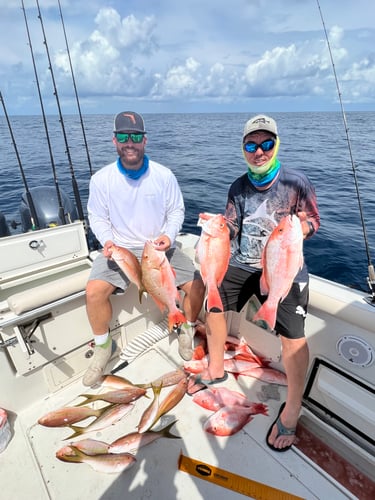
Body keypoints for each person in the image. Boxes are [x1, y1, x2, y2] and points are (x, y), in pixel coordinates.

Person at [189, 114, 320, 452]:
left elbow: (315, 221)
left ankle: (293, 408)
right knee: (214, 302)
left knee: (293, 339)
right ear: (243, 148)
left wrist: (298, 230)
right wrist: (217, 227)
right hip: (244, 263)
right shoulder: (238, 187)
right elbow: (233, 226)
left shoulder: (296, 183)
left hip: (284, 267)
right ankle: (216, 368)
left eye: (266, 144)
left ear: (276, 145)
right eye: (251, 144)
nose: (259, 151)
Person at [83, 111, 205, 386]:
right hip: (121, 249)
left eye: (135, 136)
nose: (130, 142)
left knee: (197, 285)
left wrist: (168, 235)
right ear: (114, 140)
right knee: (93, 293)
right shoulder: (101, 179)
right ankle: (104, 347)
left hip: (158, 248)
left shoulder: (163, 175)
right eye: (124, 136)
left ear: (145, 140)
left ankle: (186, 327)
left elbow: (176, 211)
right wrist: (107, 240)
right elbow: (97, 217)